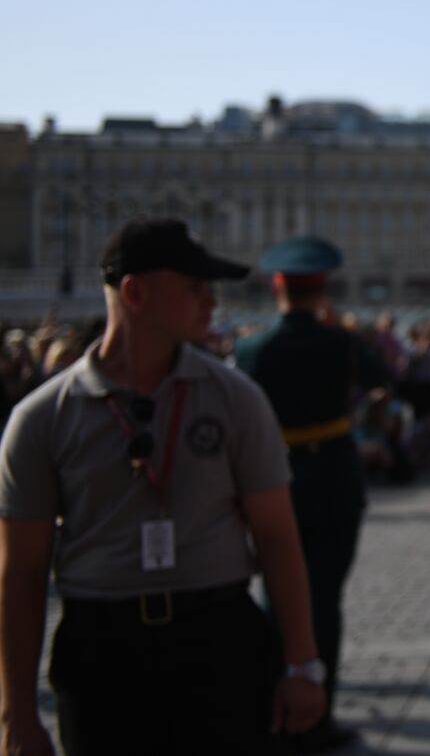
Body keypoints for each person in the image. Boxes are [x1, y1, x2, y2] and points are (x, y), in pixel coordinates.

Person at [0, 218, 324, 756]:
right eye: (194, 287)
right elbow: (21, 572)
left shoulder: (236, 399)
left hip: (219, 642)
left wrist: (302, 662)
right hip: (100, 653)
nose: (211, 302)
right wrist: (16, 713)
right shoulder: (41, 420)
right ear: (135, 293)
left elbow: (277, 537)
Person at [234, 235, 389, 752]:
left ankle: (273, 707)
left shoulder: (251, 347)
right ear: (322, 289)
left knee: (274, 595)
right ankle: (316, 711)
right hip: (336, 480)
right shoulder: (341, 342)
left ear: (277, 285)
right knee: (324, 600)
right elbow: (385, 379)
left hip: (270, 483)